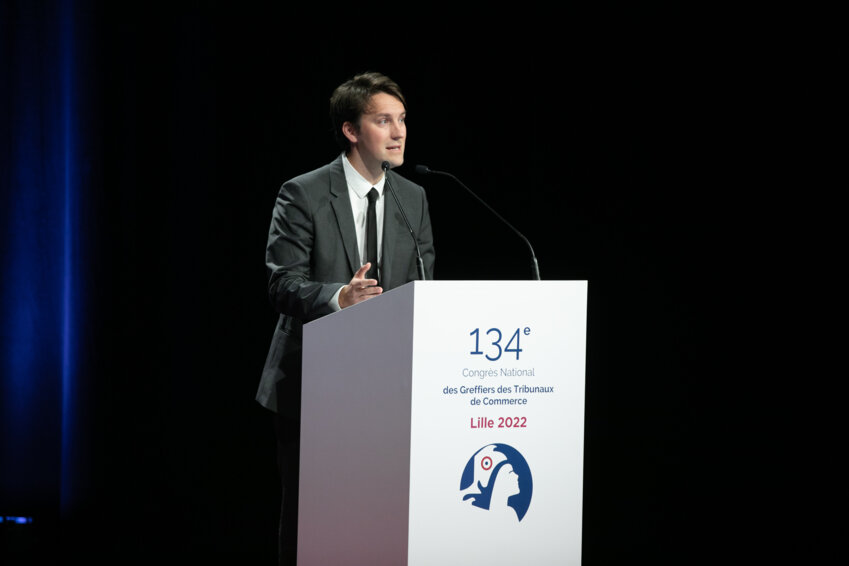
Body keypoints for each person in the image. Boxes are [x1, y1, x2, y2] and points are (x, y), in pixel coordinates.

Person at [256, 71, 435, 565]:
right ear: (351, 130)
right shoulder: (304, 193)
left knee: (378, 516)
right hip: (313, 381)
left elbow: (424, 286)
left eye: (402, 120)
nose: (398, 132)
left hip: (387, 387)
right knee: (310, 520)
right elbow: (281, 284)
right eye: (383, 120)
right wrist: (339, 298)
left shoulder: (412, 198)